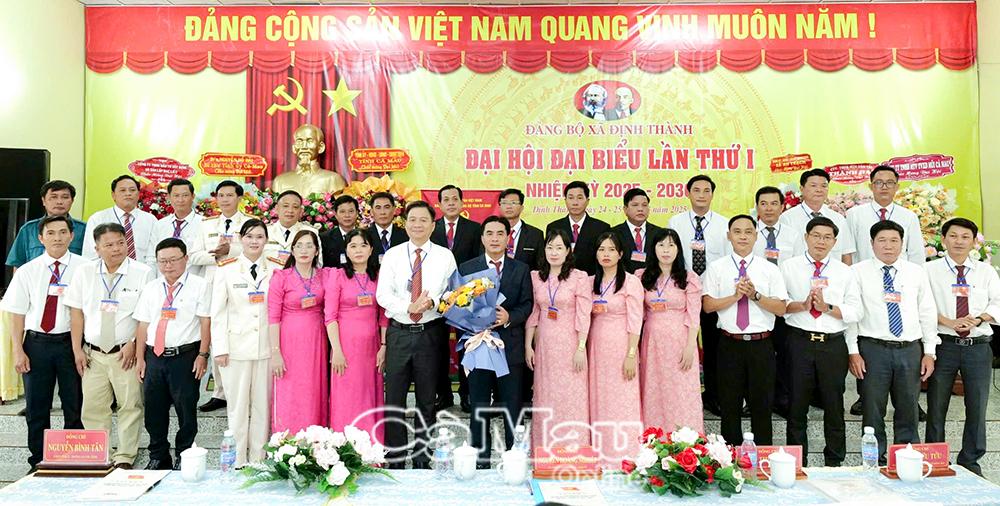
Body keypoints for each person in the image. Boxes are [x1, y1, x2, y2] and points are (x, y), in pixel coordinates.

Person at [847, 220, 938, 465]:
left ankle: (906, 459)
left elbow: (927, 312)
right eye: (882, 240)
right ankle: (874, 460)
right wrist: (853, 351)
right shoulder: (857, 272)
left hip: (910, 349)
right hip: (872, 349)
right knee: (872, 409)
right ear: (872, 243)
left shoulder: (916, 272)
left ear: (902, 243)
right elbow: (853, 315)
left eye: (894, 240)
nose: (888, 246)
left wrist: (929, 351)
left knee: (909, 407)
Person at [376, 201, 456, 469]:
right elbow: (382, 295)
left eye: (424, 220)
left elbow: (453, 293)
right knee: (394, 398)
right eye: (413, 219)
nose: (417, 224)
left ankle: (423, 457)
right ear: (405, 223)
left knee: (427, 399)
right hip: (399, 333)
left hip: (430, 334)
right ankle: (396, 457)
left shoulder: (445, 256)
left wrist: (434, 302)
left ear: (433, 225)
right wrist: (408, 307)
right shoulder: (393, 255)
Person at [1, 216, 84, 472]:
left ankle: (73, 459)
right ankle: (38, 460)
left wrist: (80, 348)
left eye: (63, 232)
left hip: (71, 343)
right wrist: (18, 350)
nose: (57, 238)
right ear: (40, 238)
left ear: (72, 236)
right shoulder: (28, 270)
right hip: (37, 344)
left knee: (74, 403)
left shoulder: (85, 268)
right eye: (51, 233)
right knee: (37, 406)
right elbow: (17, 313)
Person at [65, 223, 152, 470]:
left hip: (125, 353)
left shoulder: (143, 272)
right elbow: (76, 314)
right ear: (97, 248)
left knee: (130, 405)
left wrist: (133, 343)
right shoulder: (84, 272)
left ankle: (125, 456)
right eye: (109, 245)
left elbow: (146, 316)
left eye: (120, 243)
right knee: (93, 406)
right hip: (93, 353)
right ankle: (100, 454)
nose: (116, 249)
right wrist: (77, 349)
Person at [780, 217, 862, 467]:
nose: (821, 241)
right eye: (816, 235)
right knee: (796, 405)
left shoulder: (845, 272)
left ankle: (834, 462)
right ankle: (796, 463)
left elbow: (856, 311)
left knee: (834, 405)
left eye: (827, 237)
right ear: (806, 237)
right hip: (799, 342)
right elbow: (779, 304)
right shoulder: (789, 267)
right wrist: (801, 305)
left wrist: (828, 308)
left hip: (832, 345)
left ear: (835, 242)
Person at [702, 215, 788, 446]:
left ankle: (762, 457)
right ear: (728, 236)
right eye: (737, 231)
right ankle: (730, 458)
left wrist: (754, 295)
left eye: (748, 232)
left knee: (762, 406)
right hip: (729, 344)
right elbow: (708, 306)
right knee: (729, 406)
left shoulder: (769, 269)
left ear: (756, 236)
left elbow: (781, 308)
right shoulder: (716, 268)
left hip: (761, 345)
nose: (743, 236)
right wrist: (735, 296)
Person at [924, 218, 999, 475]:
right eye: (953, 236)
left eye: (965, 237)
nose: (959, 241)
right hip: (943, 344)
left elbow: (998, 303)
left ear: (974, 241)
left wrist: (978, 319)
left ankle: (970, 461)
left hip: (978, 346)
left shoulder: (986, 271)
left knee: (977, 405)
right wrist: (948, 321)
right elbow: (922, 306)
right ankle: (935, 458)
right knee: (936, 404)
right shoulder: (928, 270)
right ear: (943, 239)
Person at [459, 216, 533, 468]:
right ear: (482, 238)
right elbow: (458, 303)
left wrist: (509, 317)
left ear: (508, 237)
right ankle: (481, 460)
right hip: (478, 345)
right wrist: (474, 319)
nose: (494, 238)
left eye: (500, 233)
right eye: (489, 233)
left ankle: (516, 459)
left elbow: (527, 304)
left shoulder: (520, 269)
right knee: (479, 405)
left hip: (510, 346)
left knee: (512, 405)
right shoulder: (468, 268)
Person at [134, 238, 212, 470]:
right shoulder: (151, 287)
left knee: (186, 408)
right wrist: (140, 358)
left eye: (173, 260)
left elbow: (205, 322)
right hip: (154, 357)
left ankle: (184, 455)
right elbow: (143, 325)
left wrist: (203, 355)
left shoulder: (200, 285)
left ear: (186, 259)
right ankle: (158, 455)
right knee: (153, 410)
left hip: (185, 356)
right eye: (163, 261)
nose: (168, 266)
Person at [210, 219, 274, 467]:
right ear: (240, 239)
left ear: (266, 239)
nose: (254, 241)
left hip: (266, 347)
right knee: (237, 408)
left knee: (262, 407)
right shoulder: (226, 269)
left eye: (259, 236)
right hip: (235, 349)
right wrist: (220, 348)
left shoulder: (276, 268)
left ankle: (258, 459)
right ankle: (237, 461)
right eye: (249, 236)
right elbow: (217, 312)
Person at [668, 175, 730, 416]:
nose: (701, 195)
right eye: (696, 190)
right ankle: (685, 394)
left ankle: (714, 396)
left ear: (712, 194)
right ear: (688, 193)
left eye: (706, 190)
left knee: (714, 347)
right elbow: (671, 257)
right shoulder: (676, 222)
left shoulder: (724, 224)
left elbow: (726, 261)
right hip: (683, 295)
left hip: (712, 296)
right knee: (684, 346)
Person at [525, 229, 591, 449]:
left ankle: (575, 448)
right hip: (545, 346)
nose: (554, 252)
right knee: (546, 396)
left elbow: (584, 315)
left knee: (571, 397)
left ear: (568, 251)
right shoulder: (536, 277)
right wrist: (528, 346)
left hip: (571, 344)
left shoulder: (579, 277)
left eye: (559, 248)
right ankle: (546, 449)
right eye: (550, 247)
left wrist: (581, 347)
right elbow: (534, 313)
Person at [190, 180, 252, 413]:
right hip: (214, 285)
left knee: (241, 332)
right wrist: (216, 256)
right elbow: (194, 256)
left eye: (230, 195)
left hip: (241, 286)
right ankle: (220, 392)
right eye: (221, 195)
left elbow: (257, 250)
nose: (225, 199)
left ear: (239, 198)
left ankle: (244, 390)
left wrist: (232, 250)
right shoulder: (206, 224)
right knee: (217, 336)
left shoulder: (249, 223)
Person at [637, 229, 703, 432]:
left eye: (671, 245)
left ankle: (686, 438)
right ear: (653, 248)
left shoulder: (689, 278)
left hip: (680, 341)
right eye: (661, 245)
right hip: (652, 342)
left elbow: (694, 315)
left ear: (678, 250)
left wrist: (690, 346)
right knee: (654, 389)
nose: (666, 250)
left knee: (681, 390)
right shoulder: (642, 277)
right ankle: (654, 438)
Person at [324, 229, 388, 440]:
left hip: (372, 348)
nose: (358, 250)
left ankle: (372, 446)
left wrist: (384, 346)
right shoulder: (337, 276)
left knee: (369, 394)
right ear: (346, 250)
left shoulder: (379, 276)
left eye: (363, 245)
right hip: (345, 348)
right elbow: (330, 316)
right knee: (346, 396)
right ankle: (344, 446)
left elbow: (384, 316)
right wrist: (336, 350)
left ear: (371, 249)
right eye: (353, 246)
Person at [588, 232, 643, 467]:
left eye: (611, 249)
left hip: (622, 347)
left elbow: (636, 321)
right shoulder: (590, 282)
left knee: (623, 401)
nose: (606, 254)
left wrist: (631, 354)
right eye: (601, 249)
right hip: (597, 349)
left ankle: (627, 455)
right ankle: (602, 454)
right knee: (601, 401)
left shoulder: (631, 282)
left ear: (620, 254)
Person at [267, 230, 329, 434]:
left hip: (316, 341)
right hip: (289, 341)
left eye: (309, 246)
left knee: (313, 389)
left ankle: (315, 438)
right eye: (299, 246)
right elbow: (273, 317)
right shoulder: (281, 277)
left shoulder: (324, 276)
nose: (304, 250)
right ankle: (287, 440)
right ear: (292, 250)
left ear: (316, 251)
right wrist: (275, 352)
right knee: (290, 389)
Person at [430, 185, 482, 411]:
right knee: (438, 348)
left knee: (466, 347)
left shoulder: (475, 229)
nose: (451, 203)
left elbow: (479, 263)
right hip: (437, 299)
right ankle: (443, 395)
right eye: (446, 200)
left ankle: (467, 394)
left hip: (466, 300)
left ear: (462, 203)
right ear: (439, 204)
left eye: (455, 199)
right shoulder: (431, 229)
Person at [752, 186, 797, 417]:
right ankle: (756, 400)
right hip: (755, 305)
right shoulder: (749, 233)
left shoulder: (793, 235)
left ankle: (783, 399)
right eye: (763, 203)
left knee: (785, 354)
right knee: (758, 357)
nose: (768, 208)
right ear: (757, 207)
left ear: (782, 206)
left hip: (784, 305)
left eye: (773, 204)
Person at [847, 165, 924, 264]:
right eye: (879, 183)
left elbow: (916, 253)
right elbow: (849, 251)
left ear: (897, 187)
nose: (884, 187)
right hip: (864, 271)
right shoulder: (854, 214)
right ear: (871, 186)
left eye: (890, 183)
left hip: (900, 271)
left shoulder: (909, 216)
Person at [779, 168, 855, 264]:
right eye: (813, 185)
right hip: (799, 271)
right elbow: (783, 254)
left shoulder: (838, 219)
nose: (819, 190)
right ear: (801, 189)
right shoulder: (787, 218)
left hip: (832, 272)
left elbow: (846, 254)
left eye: (824, 186)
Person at [5, 180, 87, 269]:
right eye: (54, 197)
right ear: (43, 201)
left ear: (72, 201)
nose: (59, 202)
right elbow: (18, 264)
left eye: (65, 197)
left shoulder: (84, 229)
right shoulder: (28, 230)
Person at [83, 175, 156, 266]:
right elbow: (90, 255)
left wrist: (147, 273)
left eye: (132, 190)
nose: (128, 193)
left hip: (142, 272)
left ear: (138, 194)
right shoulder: (98, 218)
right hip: (107, 272)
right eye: (123, 190)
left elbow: (153, 256)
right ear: (113, 195)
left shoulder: (150, 220)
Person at [545, 181, 610, 276]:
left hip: (591, 279)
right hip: (561, 279)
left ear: (587, 201)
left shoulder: (601, 228)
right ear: (565, 200)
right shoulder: (554, 227)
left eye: (579, 198)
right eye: (571, 198)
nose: (575, 203)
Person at [149, 179, 203, 276]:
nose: (180, 200)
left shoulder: (204, 224)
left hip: (193, 280)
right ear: (169, 197)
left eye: (185, 195)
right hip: (163, 281)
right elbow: (151, 258)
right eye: (176, 196)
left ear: (193, 196)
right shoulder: (160, 225)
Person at [612, 188, 664, 274]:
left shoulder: (659, 233)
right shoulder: (614, 234)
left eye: (644, 205)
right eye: (635, 205)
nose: (640, 209)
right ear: (625, 209)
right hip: (623, 280)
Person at [265, 190, 322, 267]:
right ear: (276, 209)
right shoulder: (265, 232)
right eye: (285, 206)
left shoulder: (311, 232)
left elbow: (318, 264)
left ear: (301, 211)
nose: (290, 211)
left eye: (295, 207)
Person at [498, 188, 544, 268]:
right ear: (499, 207)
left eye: (513, 203)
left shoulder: (535, 235)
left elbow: (540, 265)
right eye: (504, 203)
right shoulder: (490, 232)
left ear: (522, 208)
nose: (508, 206)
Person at [365, 192, 409, 262]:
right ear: (371, 212)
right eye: (378, 208)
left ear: (394, 210)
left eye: (387, 207)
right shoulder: (364, 236)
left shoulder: (406, 235)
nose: (382, 212)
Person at [320, 195, 361, 268]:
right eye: (342, 212)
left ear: (357, 213)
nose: (347, 215)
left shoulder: (366, 236)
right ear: (335, 214)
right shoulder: (324, 238)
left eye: (351, 211)